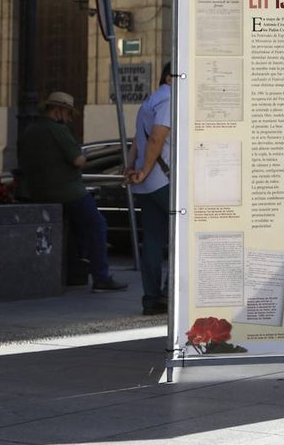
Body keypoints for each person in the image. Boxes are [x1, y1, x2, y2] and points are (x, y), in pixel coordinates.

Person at [19, 92, 128, 293]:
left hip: (37, 191)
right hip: (68, 191)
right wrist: (82, 155)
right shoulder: (58, 130)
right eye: (68, 113)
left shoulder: (30, 130)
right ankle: (101, 277)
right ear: (58, 110)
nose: (69, 118)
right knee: (97, 225)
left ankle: (73, 272)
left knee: (73, 231)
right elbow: (78, 160)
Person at [126, 62, 173, 316]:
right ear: (169, 78)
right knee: (184, 235)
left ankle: (151, 299)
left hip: (147, 185)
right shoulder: (169, 99)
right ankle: (168, 293)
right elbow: (156, 137)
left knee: (153, 240)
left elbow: (137, 139)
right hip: (163, 180)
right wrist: (143, 170)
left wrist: (131, 166)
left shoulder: (149, 101)